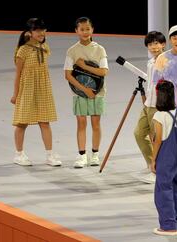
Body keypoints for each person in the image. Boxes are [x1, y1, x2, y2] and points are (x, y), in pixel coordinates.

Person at [11, 18, 61, 167]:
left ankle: (50, 155)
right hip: (27, 89)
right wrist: (15, 94)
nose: (42, 33)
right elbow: (18, 74)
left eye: (43, 30)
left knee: (45, 121)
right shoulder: (23, 51)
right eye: (38, 30)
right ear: (29, 32)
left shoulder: (45, 46)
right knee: (22, 123)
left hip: (43, 89)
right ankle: (19, 154)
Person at [64, 17, 108, 168]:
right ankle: (82, 155)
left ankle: (95, 154)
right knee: (81, 123)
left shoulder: (100, 49)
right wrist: (85, 90)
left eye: (87, 29)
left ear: (92, 30)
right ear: (76, 31)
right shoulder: (72, 50)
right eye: (81, 29)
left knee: (96, 123)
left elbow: (103, 71)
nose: (85, 32)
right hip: (79, 94)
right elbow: (68, 75)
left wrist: (84, 66)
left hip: (98, 93)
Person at [151, 80, 177, 236]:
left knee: (163, 191)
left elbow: (157, 141)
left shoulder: (159, 116)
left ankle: (168, 226)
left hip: (166, 156)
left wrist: (153, 160)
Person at [134, 31, 166, 184]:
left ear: (163, 44)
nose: (153, 47)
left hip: (158, 106)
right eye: (150, 44)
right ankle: (152, 165)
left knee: (156, 139)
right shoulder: (150, 62)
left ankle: (158, 171)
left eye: (156, 43)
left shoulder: (166, 61)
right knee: (139, 133)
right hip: (148, 104)